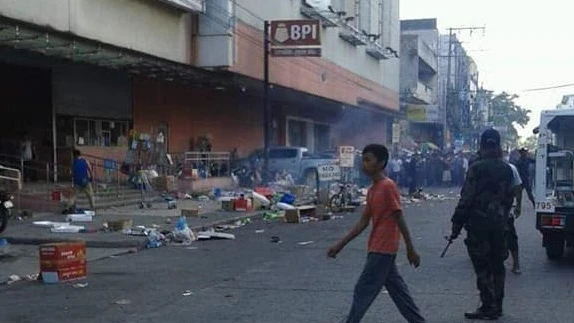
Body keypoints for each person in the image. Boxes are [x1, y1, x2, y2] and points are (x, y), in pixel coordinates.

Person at [327, 144, 425, 323]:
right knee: (399, 292)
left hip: (383, 248)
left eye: (368, 160)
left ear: (381, 163)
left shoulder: (387, 186)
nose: (364, 164)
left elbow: (399, 217)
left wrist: (410, 249)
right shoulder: (373, 190)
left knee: (363, 289)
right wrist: (340, 245)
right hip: (378, 247)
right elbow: (363, 222)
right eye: (363, 160)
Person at [450, 129, 515, 320]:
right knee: (497, 265)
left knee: (482, 266)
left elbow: (466, 198)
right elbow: (509, 197)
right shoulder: (506, 169)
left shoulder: (476, 168)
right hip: (500, 223)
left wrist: (456, 224)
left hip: (479, 225)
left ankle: (488, 305)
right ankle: (498, 305)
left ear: (482, 145)